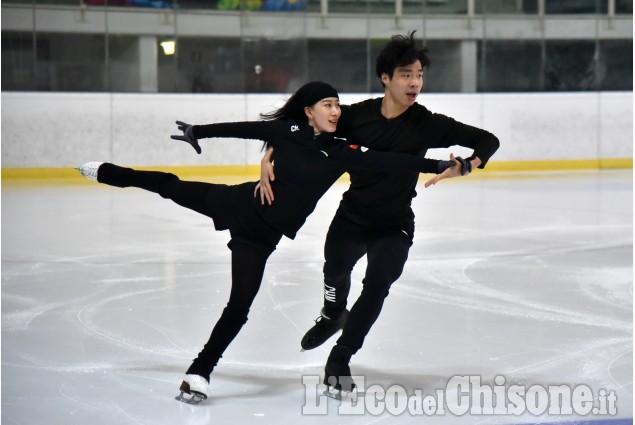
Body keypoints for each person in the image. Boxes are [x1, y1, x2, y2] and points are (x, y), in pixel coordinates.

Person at [76, 81, 467, 404]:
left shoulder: (343, 152)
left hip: (259, 240)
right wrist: (199, 133)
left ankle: (199, 372)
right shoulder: (288, 132)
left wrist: (438, 165)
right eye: (326, 105)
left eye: (337, 105)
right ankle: (108, 172)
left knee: (238, 307)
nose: (335, 111)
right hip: (236, 203)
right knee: (169, 185)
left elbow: (390, 161)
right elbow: (245, 128)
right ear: (308, 111)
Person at [257, 32, 500, 393]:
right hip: (353, 216)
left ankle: (341, 355)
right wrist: (267, 157)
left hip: (395, 223)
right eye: (405, 74)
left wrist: (466, 165)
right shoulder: (355, 117)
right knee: (335, 270)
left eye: (419, 74)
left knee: (378, 285)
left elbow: (487, 140)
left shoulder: (427, 123)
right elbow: (298, 127)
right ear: (385, 78)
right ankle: (331, 314)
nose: (414, 82)